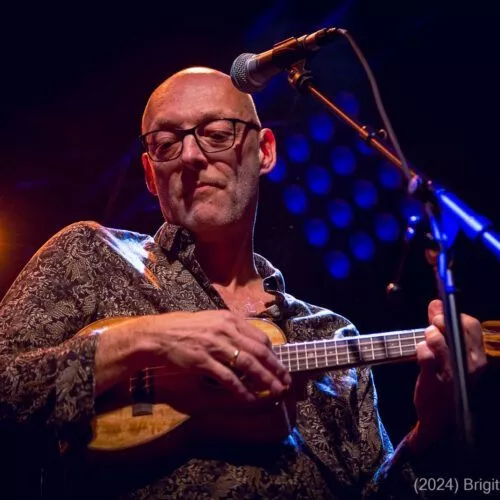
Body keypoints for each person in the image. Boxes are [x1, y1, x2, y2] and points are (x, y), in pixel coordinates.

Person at [0, 67, 490, 499]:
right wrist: (146, 337)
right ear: (150, 174)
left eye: (217, 133)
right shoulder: (89, 254)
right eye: (167, 144)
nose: (190, 156)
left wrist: (433, 428)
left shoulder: (332, 334)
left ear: (266, 151)